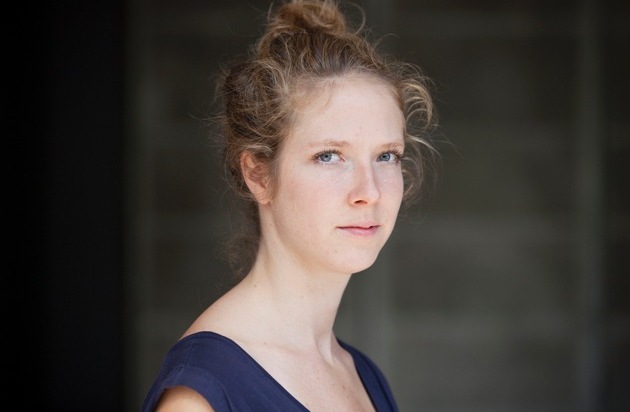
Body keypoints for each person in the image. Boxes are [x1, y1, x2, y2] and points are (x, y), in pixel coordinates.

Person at [141, 0, 437, 410]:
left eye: (386, 156)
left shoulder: (363, 375)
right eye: (329, 156)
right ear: (258, 174)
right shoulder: (203, 392)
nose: (369, 191)